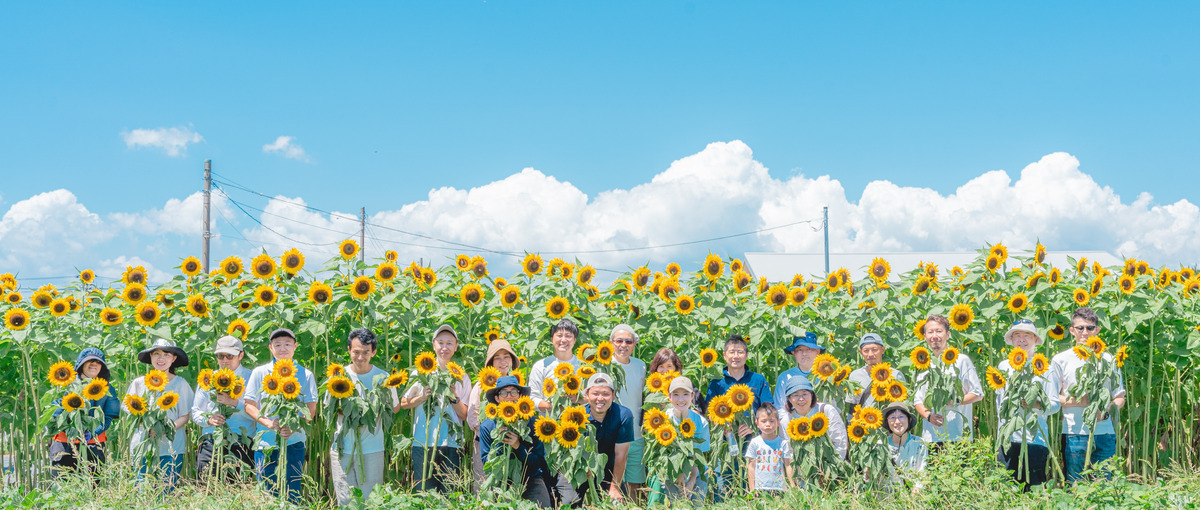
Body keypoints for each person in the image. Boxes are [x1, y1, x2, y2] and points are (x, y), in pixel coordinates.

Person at [1051, 307, 1126, 482]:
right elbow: (1053, 398)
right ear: (1072, 331)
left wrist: (1106, 409)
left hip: (1105, 432)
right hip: (1074, 432)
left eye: (1090, 328)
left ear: (1097, 330)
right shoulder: (1061, 360)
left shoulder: (1109, 360)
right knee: (1075, 484)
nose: (1085, 332)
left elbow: (1119, 396)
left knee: (1104, 484)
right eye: (1080, 328)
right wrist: (1079, 401)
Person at [244, 328, 318, 503]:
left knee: (292, 491)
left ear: (295, 346)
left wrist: (293, 427)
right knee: (267, 493)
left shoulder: (305, 374)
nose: (282, 348)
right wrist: (269, 424)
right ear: (270, 348)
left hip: (294, 442)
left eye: (287, 344)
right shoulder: (260, 372)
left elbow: (310, 409)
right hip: (265, 444)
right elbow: (249, 405)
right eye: (278, 345)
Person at [330, 328, 400, 506]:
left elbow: (395, 407)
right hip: (342, 447)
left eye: (365, 353)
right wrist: (348, 414)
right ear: (349, 350)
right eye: (356, 352)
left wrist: (374, 412)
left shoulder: (383, 377)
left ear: (373, 352)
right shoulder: (338, 376)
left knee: (371, 501)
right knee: (345, 500)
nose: (360, 357)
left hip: (372, 448)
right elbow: (328, 407)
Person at [401, 324, 470, 493]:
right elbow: (404, 403)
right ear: (434, 345)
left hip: (452, 443)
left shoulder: (461, 376)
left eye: (449, 343)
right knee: (424, 493)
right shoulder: (421, 372)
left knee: (449, 494)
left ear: (455, 347)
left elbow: (465, 414)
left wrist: (454, 398)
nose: (444, 347)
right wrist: (422, 397)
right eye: (441, 343)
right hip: (423, 442)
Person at [704, 333, 773, 501]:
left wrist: (754, 425)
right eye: (732, 352)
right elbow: (709, 413)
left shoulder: (757, 380)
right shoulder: (717, 384)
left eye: (740, 352)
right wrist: (724, 425)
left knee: (753, 485)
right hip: (725, 441)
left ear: (747, 355)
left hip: (753, 441)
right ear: (724, 355)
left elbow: (768, 408)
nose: (736, 356)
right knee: (724, 482)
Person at [995, 320, 1060, 491]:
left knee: (1034, 490)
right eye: (1017, 335)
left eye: (1027, 335)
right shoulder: (1004, 366)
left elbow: (1055, 405)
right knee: (1006, 490)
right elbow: (999, 404)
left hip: (1035, 438)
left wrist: (1037, 404)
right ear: (1012, 339)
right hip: (1008, 439)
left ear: (1035, 339)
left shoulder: (1045, 367)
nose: (1022, 340)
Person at [124, 338, 194, 490]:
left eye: (167, 355)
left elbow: (185, 416)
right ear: (150, 357)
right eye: (156, 354)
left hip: (171, 446)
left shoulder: (180, 384)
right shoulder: (139, 383)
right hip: (142, 445)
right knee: (142, 492)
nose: (161, 359)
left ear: (174, 358)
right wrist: (145, 425)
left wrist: (164, 429)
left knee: (166, 492)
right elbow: (130, 411)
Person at [478, 375, 554, 508]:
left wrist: (518, 447)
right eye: (503, 393)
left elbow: (539, 461)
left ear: (520, 396)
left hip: (531, 479)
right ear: (497, 398)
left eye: (513, 392)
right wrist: (501, 443)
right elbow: (487, 462)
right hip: (502, 482)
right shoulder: (488, 426)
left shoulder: (533, 423)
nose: (509, 396)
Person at [49, 347, 120, 479]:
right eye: (90, 361)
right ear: (81, 365)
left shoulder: (107, 388)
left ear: (102, 367)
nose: (94, 364)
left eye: (98, 362)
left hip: (93, 445)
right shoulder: (65, 382)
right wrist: (69, 427)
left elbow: (109, 416)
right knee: (62, 488)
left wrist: (94, 431)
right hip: (64, 444)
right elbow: (52, 412)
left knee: (91, 488)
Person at [191, 335, 255, 481]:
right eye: (220, 356)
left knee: (238, 489)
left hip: (241, 442)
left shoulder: (251, 378)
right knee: (207, 487)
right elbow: (195, 412)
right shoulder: (208, 379)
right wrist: (209, 419)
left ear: (241, 355)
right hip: (211, 442)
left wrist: (234, 403)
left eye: (229, 356)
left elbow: (258, 414)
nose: (225, 360)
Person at [913, 314, 983, 448]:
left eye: (939, 331)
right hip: (931, 437)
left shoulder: (961, 360)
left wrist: (955, 400)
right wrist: (928, 416)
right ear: (925, 336)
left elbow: (978, 394)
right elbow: (917, 400)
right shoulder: (923, 363)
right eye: (930, 332)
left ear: (948, 334)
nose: (934, 336)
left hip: (958, 436)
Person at [467, 339, 520, 492]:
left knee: (511, 488)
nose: (502, 361)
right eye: (497, 358)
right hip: (485, 444)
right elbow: (472, 418)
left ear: (512, 360)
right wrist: (492, 431)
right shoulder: (482, 385)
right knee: (485, 487)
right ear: (491, 362)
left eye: (506, 357)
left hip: (512, 444)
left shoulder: (517, 384)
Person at [650, 376, 710, 503]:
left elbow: (698, 456)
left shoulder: (701, 423)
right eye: (676, 394)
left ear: (692, 396)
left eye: (685, 394)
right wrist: (680, 475)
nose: (681, 399)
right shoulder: (663, 420)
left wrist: (692, 480)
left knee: (697, 505)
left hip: (696, 474)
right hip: (670, 476)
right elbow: (661, 454)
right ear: (669, 396)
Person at [580, 373, 634, 504]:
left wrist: (614, 488)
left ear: (613, 394)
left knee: (614, 503)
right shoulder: (578, 416)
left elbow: (621, 455)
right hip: (580, 469)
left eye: (605, 393)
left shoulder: (623, 416)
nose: (600, 398)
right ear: (587, 394)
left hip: (609, 471)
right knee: (569, 502)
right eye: (595, 393)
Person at [609, 324, 648, 498]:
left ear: (634, 344)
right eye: (619, 340)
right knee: (613, 484)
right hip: (613, 436)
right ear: (611, 343)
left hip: (636, 434)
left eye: (628, 341)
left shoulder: (641, 366)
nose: (623, 345)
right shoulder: (605, 365)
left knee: (634, 485)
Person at [781, 376, 848, 461]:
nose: (801, 399)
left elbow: (840, 442)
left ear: (812, 395)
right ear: (789, 399)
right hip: (802, 472)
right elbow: (789, 452)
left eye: (805, 394)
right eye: (795, 395)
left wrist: (832, 468)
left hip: (830, 466)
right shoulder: (786, 421)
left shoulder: (826, 411)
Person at [529, 319, 582, 413]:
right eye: (559, 335)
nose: (564, 340)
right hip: (549, 423)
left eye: (568, 336)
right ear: (552, 339)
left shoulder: (583, 366)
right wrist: (548, 405)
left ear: (574, 340)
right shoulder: (542, 365)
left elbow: (592, 395)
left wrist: (578, 399)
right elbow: (532, 397)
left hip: (578, 421)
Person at [846, 333, 907, 413]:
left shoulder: (895, 375)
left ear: (882, 350)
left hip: (890, 423)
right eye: (866, 351)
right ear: (861, 352)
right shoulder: (855, 376)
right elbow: (852, 406)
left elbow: (904, 405)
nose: (870, 354)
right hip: (864, 422)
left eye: (874, 350)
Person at [774, 331, 824, 423]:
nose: (804, 353)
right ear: (793, 353)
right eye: (800, 350)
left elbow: (836, 406)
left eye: (809, 349)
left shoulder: (827, 376)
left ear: (817, 351)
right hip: (794, 428)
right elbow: (779, 408)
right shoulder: (785, 377)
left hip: (822, 425)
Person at [745, 403, 793, 492]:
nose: (768, 424)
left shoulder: (782, 443)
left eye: (771, 421)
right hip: (760, 488)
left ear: (778, 422)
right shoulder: (755, 443)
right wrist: (752, 488)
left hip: (779, 488)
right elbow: (751, 466)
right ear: (757, 423)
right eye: (763, 421)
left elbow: (788, 465)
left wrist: (792, 485)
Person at [883, 401, 927, 488]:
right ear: (887, 422)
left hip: (913, 497)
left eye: (901, 417)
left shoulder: (919, 443)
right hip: (887, 497)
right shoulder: (882, 445)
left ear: (909, 419)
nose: (897, 421)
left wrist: (916, 490)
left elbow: (923, 471)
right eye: (892, 417)